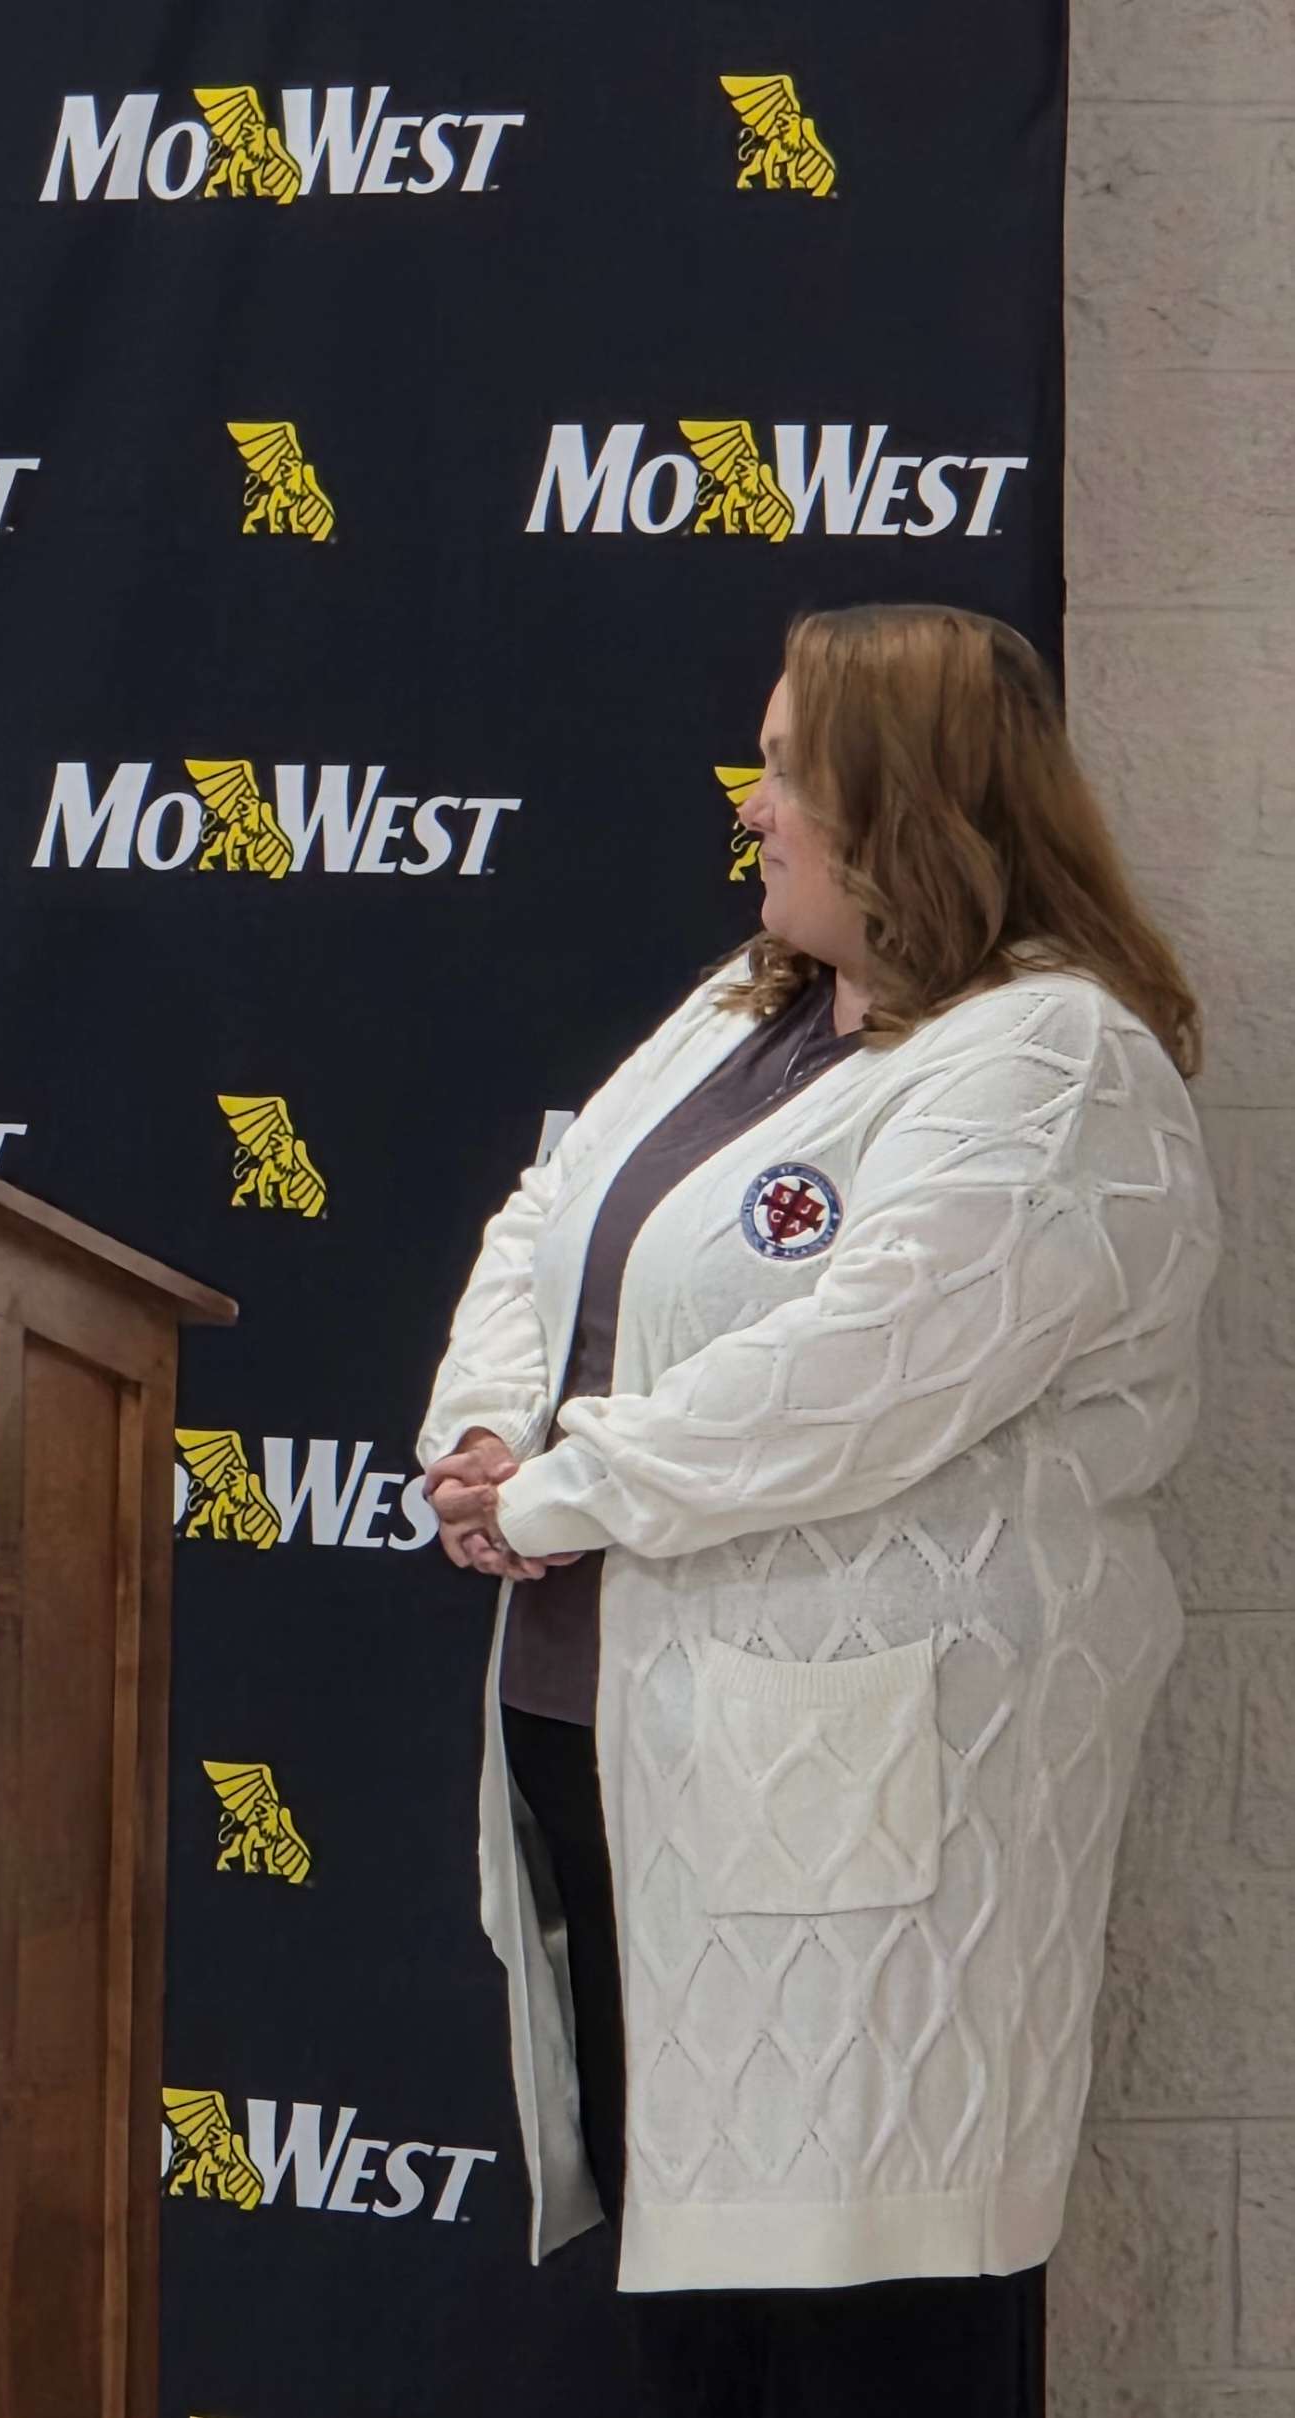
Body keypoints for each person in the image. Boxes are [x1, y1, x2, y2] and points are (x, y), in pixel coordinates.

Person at [415, 604, 1217, 2418]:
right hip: (613, 1750)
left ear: (906, 801)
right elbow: (547, 1223)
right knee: (701, 2331)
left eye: (786, 766)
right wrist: (482, 1425)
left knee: (864, 2334)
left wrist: (561, 1483)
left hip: (863, 1816)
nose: (751, 804)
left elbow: (861, 1371)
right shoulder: (743, 1001)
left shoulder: (1052, 1063)